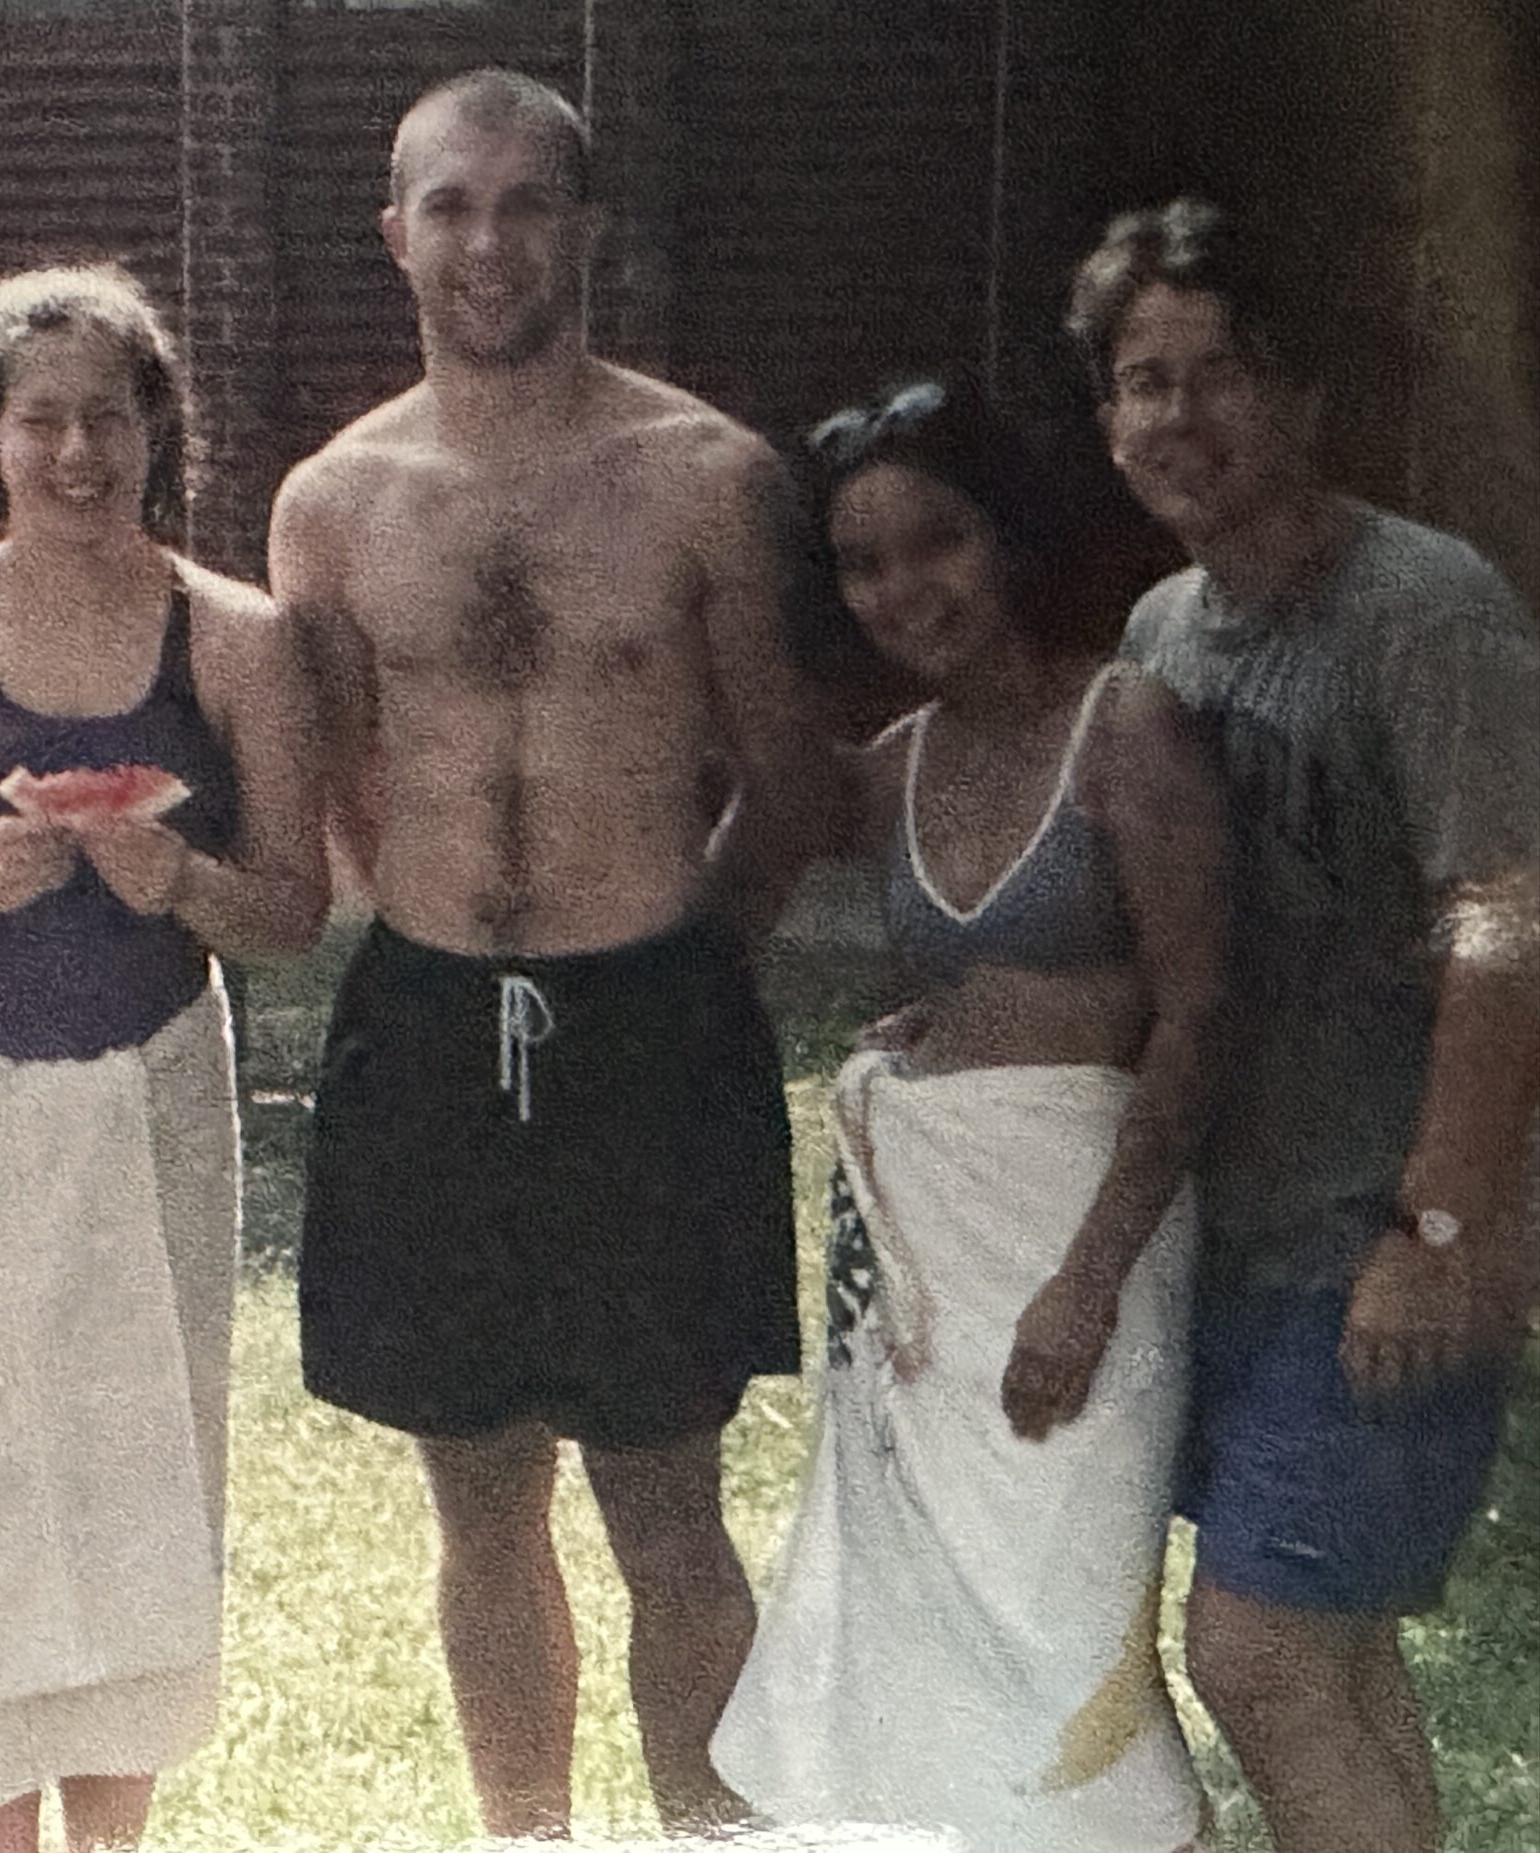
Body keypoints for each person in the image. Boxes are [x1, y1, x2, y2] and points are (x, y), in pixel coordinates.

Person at [271, 68, 828, 1839]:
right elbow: (348, 780)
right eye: (450, 203)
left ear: (589, 228)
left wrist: (663, 952)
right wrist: (451, 931)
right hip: (433, 1031)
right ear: (396, 233)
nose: (489, 239)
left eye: (527, 202)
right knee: (480, 1499)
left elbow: (795, 776)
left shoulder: (708, 479)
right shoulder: (331, 504)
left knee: (669, 1499)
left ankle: (707, 1834)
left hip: (647, 1028)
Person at [0, 263, 323, 1853]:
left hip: (150, 1092)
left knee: (135, 1473)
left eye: (113, 415)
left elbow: (296, 910)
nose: (81, 451)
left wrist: (184, 883)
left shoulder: (236, 638)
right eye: (44, 419)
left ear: (160, 428)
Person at [1068, 197, 1540, 1853]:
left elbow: (1507, 925)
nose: (1177, 417)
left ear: (1302, 397)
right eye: (1142, 380)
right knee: (1331, 1660)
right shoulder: (1162, 636)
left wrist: (1442, 1224)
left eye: (1217, 375)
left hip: (1380, 1239)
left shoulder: (1427, 609)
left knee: (1253, 1651)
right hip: (1242, 1237)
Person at [710, 379, 1225, 1853]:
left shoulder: (1126, 729)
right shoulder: (896, 765)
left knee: (1078, 1648)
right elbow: (724, 901)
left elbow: (1194, 1021)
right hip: (922, 1291)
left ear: (1010, 536)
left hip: (1082, 1255)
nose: (900, 588)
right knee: (927, 1656)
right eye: (862, 563)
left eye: (934, 541)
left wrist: (1087, 1281)